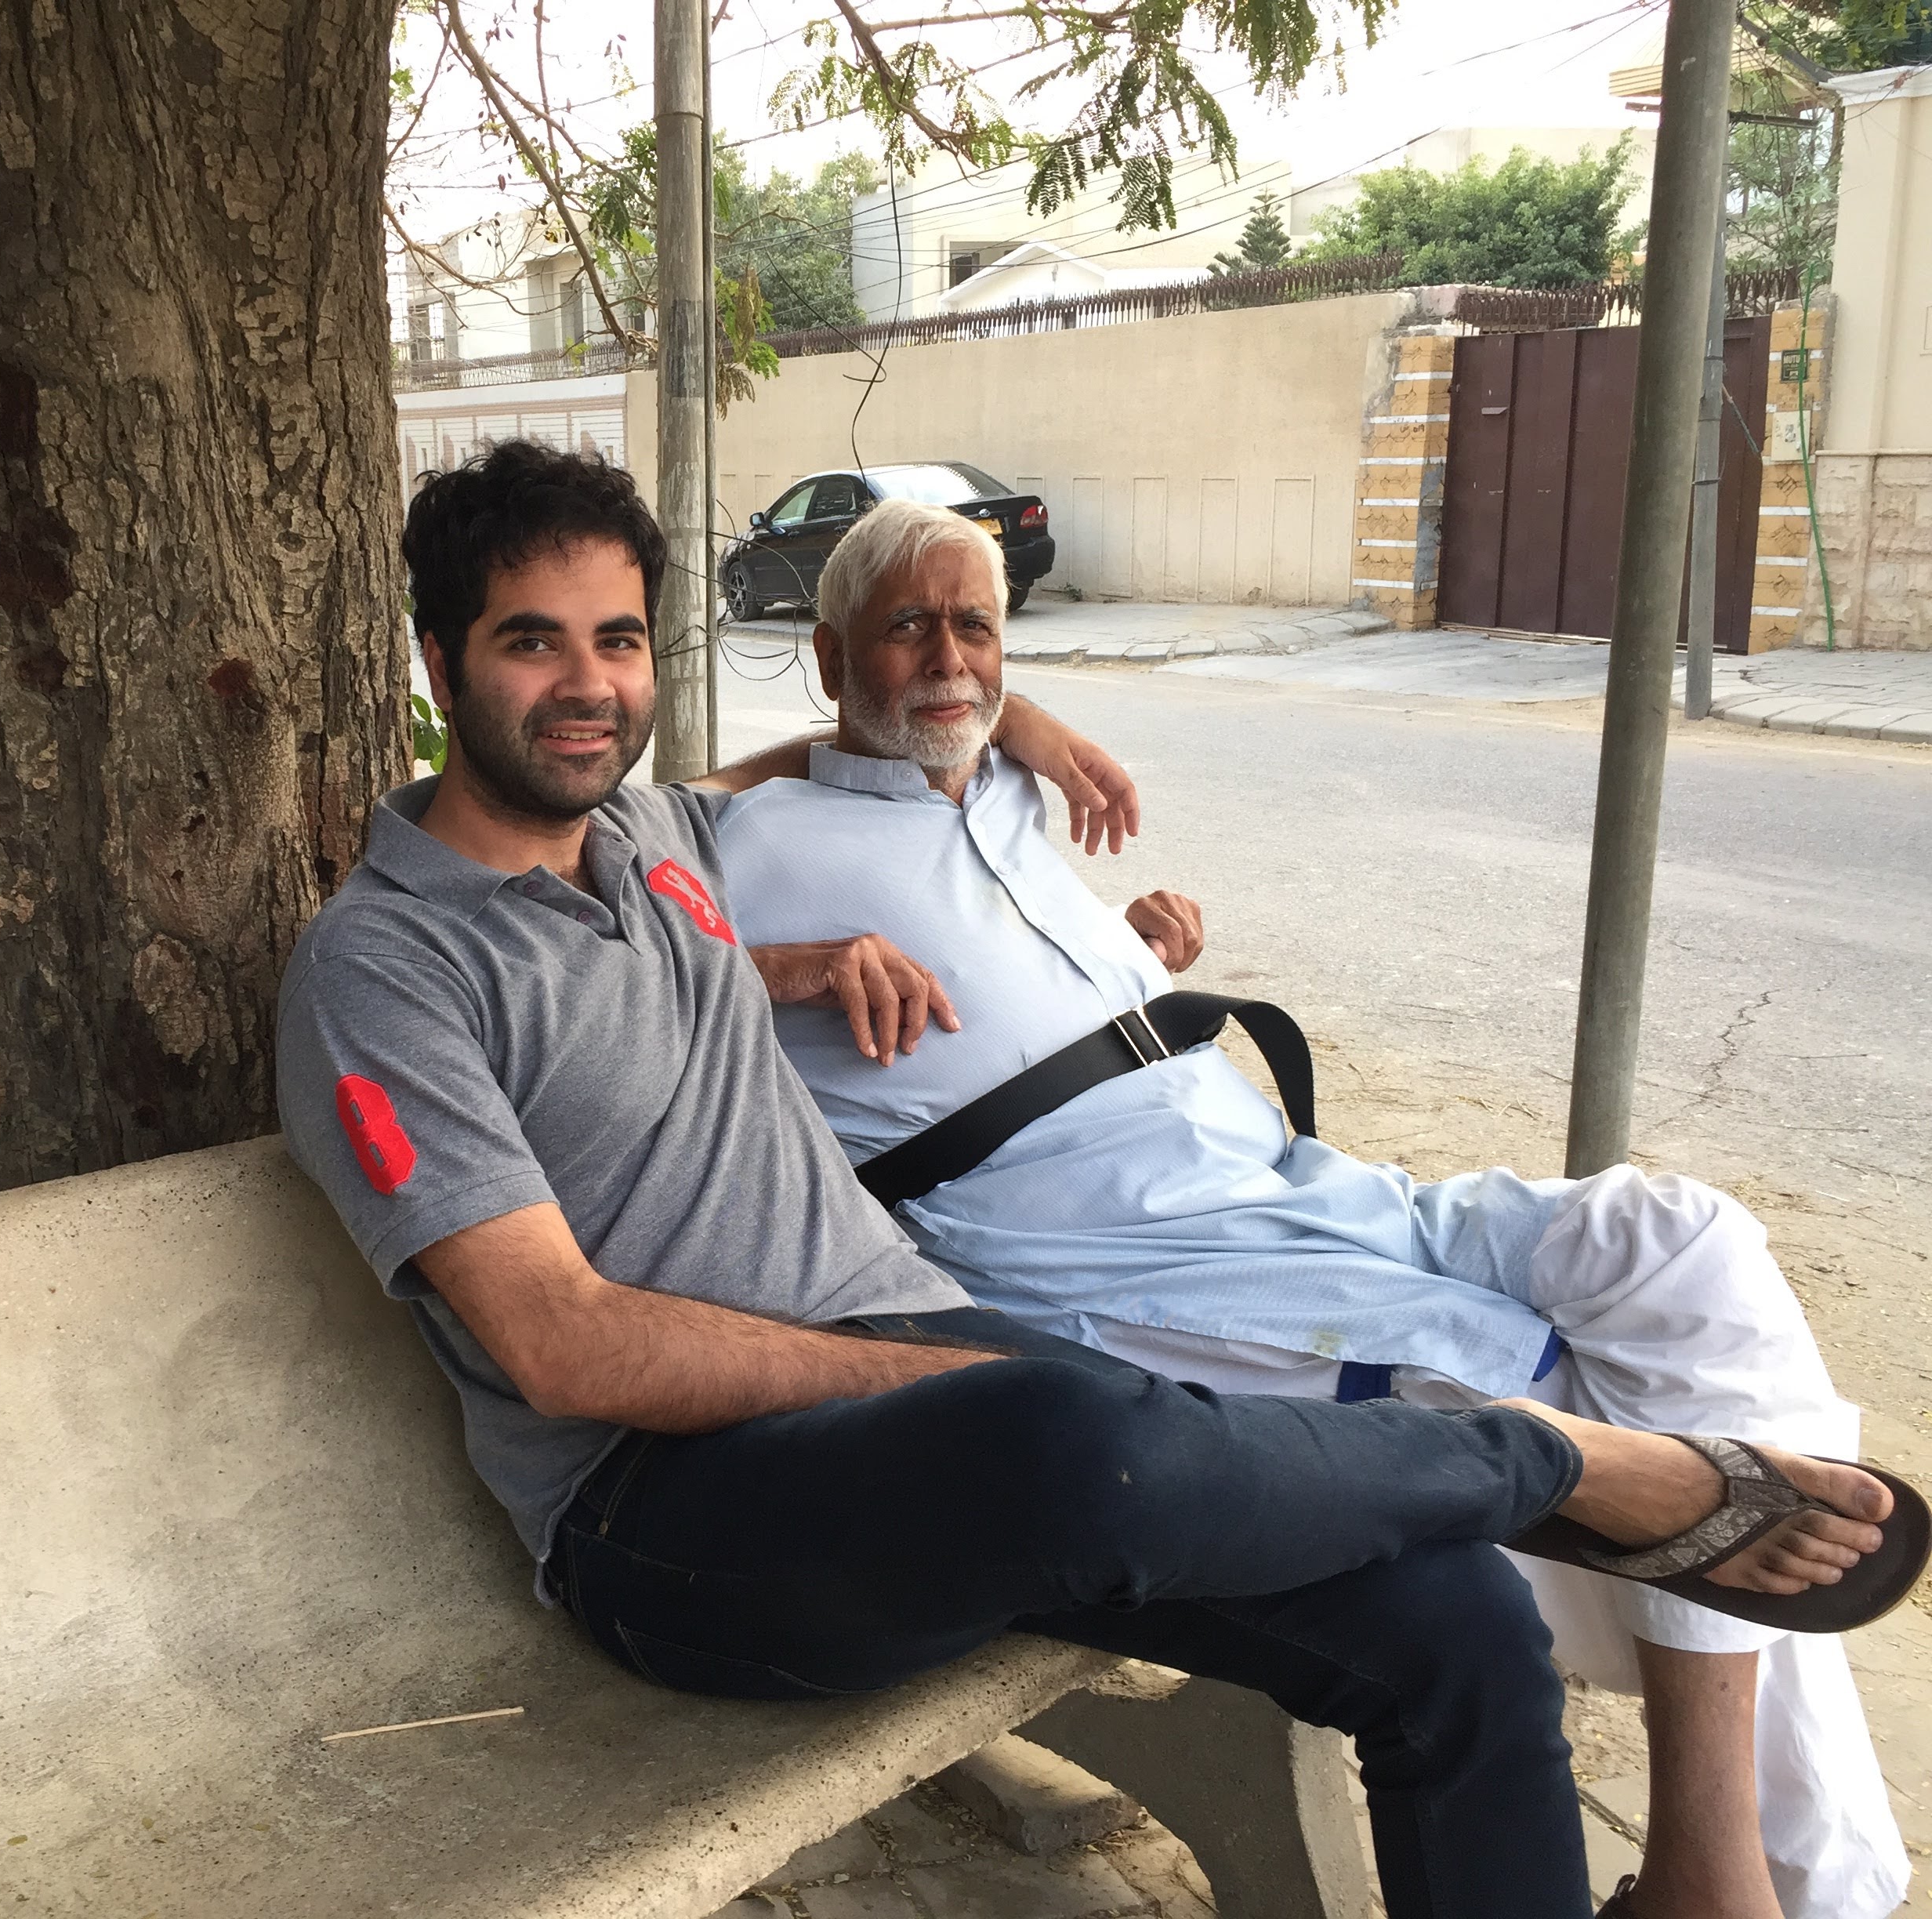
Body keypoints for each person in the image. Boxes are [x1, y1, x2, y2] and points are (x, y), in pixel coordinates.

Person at [272, 441, 1899, 1919]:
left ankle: (1531, 1543)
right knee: (1069, 1426)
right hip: (667, 1519)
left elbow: (820, 760)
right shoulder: (388, 968)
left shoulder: (643, 848)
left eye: (617, 641)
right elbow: (560, 1347)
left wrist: (1007, 711)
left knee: (1456, 1628)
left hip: (918, 1396)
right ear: (438, 663)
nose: (586, 687)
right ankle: (1547, 1460)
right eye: (529, 641)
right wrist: (927, 1360)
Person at [709, 495, 1913, 1919]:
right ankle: (1760, 1882)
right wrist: (769, 968)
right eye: (906, 628)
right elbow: (579, 904)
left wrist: (1088, 883)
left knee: (1686, 1243)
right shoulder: (728, 850)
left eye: (979, 627)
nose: (951, 659)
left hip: (1293, 1176)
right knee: (1565, 1389)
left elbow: (956, 733)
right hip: (1116, 1248)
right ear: (832, 654)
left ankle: (1722, 1871)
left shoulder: (1014, 790)